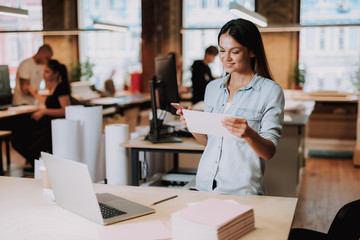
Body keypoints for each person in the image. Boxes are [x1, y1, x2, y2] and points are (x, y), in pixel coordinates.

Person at [177, 18, 284, 195]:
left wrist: (249, 133)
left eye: (234, 52)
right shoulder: (212, 88)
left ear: (251, 52)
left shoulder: (270, 91)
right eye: (222, 50)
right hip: (205, 186)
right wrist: (193, 125)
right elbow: (211, 143)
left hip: (241, 191)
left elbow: (269, 152)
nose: (226, 58)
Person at [12, 59, 71, 170]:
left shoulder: (61, 88)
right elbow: (50, 103)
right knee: (18, 136)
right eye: (43, 71)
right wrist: (35, 94)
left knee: (24, 142)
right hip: (48, 125)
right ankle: (35, 165)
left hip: (53, 129)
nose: (43, 75)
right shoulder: (53, 89)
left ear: (56, 73)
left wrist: (44, 111)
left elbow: (65, 110)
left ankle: (36, 166)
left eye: (47, 72)